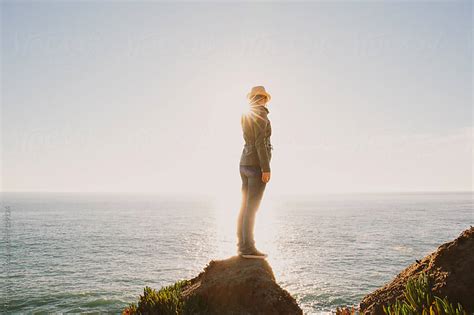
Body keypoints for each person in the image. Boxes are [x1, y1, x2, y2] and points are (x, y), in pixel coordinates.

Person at [237, 86, 273, 259]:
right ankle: (248, 248)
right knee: (252, 207)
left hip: (244, 162)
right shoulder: (261, 114)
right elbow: (260, 143)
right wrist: (265, 168)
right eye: (265, 99)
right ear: (263, 99)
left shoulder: (245, 114)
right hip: (256, 165)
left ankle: (242, 245)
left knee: (245, 205)